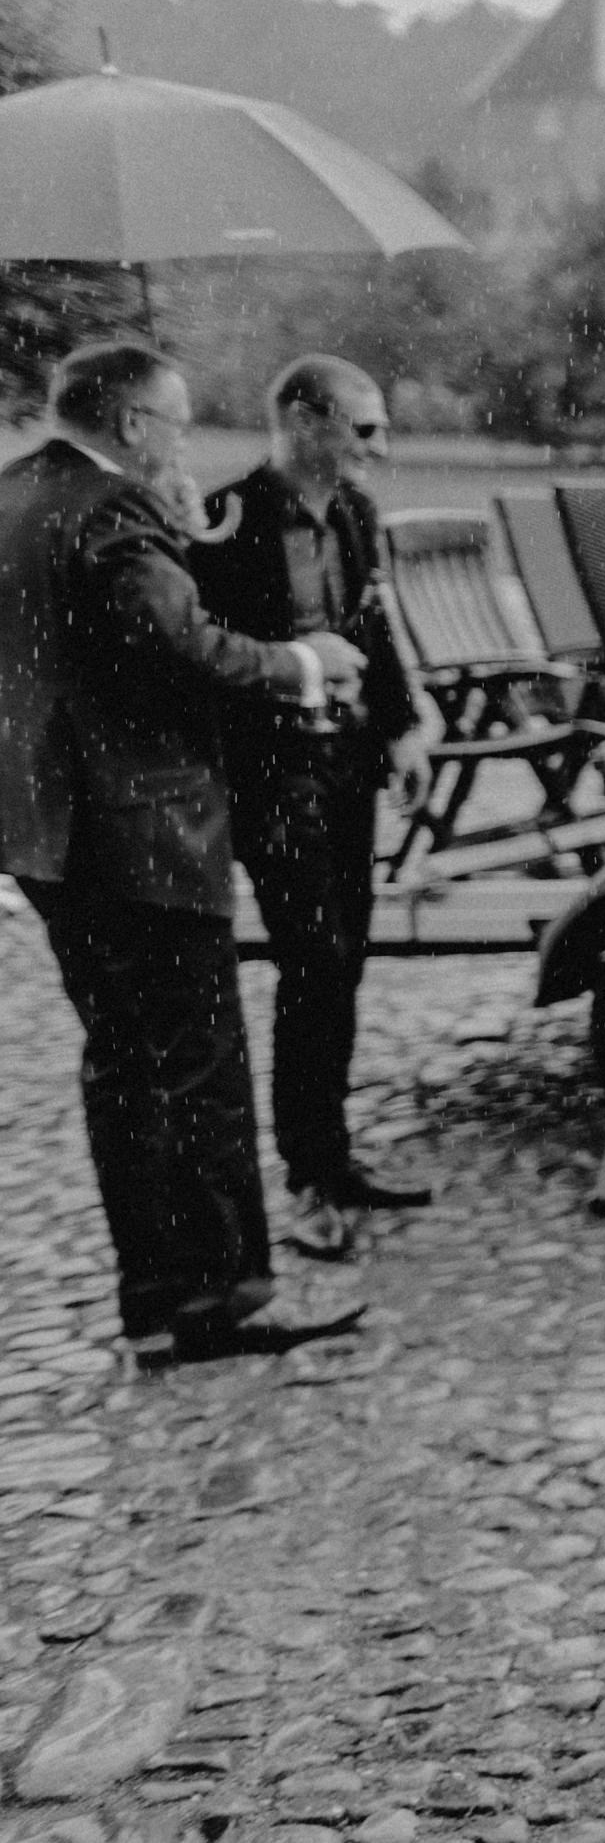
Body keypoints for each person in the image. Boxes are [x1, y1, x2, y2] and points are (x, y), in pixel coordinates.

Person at [0, 340, 369, 1369]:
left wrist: (179, 533)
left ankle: (156, 1293)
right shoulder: (113, 511)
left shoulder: (19, 491)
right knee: (195, 1064)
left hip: (52, 827)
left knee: (122, 1062)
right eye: (174, 420)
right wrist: (304, 660)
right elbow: (180, 649)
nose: (184, 438)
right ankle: (220, 1297)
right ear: (129, 426)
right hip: (142, 825)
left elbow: (90, 639)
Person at [193, 355, 436, 1264]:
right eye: (363, 428)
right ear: (304, 423)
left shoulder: (356, 514)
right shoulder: (225, 518)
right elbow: (202, 649)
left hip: (347, 761)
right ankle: (305, 1177)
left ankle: (331, 1158)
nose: (380, 446)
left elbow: (374, 625)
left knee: (347, 956)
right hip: (272, 769)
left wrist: (403, 727)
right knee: (313, 954)